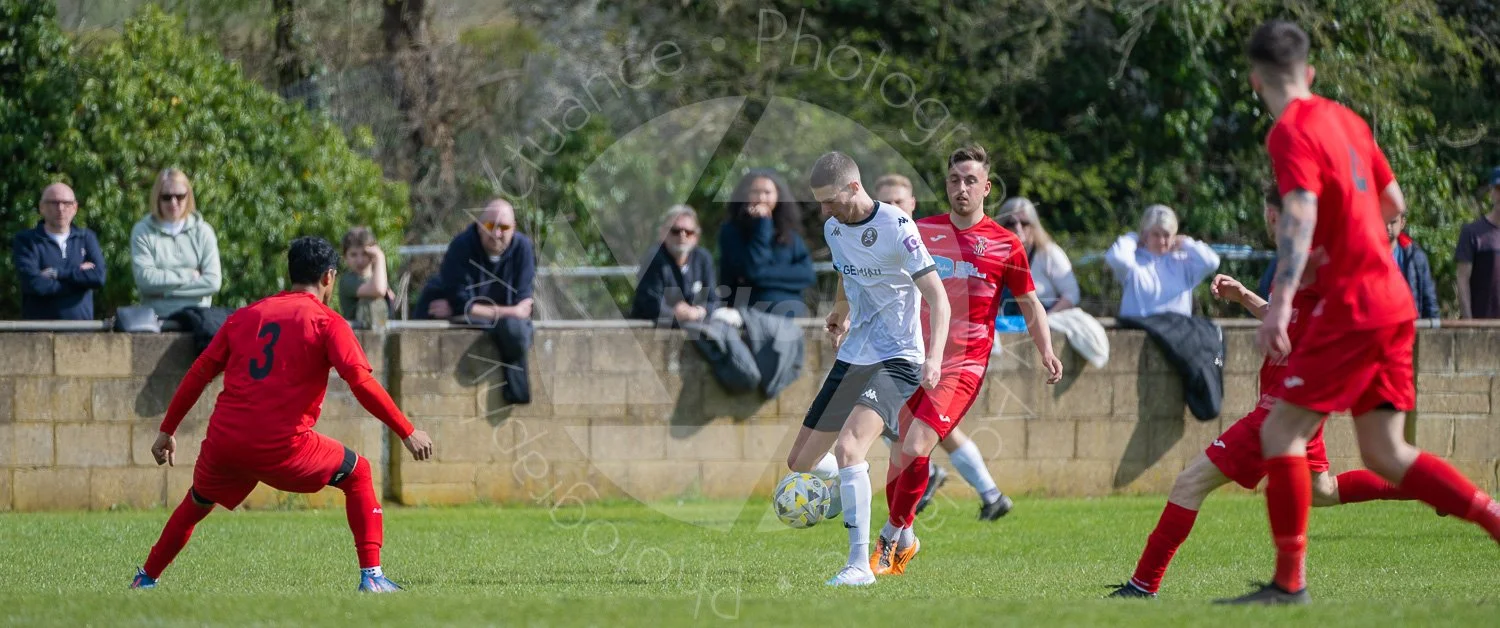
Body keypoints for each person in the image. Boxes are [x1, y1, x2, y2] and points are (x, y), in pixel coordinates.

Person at [1219, 20, 1500, 605]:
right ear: (1311, 73)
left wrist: (1284, 296)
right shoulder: (1347, 120)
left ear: (1255, 81)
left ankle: (1288, 583)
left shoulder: (1288, 130)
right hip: (1392, 298)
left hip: (1353, 303)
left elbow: (1298, 208)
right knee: (1385, 453)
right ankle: (1497, 521)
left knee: (1280, 428)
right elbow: (1394, 202)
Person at [1108, 197, 1413, 599]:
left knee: (1189, 482)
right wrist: (1245, 297)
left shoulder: (1318, 262)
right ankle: (1421, 485)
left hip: (1282, 409)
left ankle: (1142, 584)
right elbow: (1289, 318)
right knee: (1323, 491)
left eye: (1272, 214)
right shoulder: (1302, 258)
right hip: (1292, 400)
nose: (1270, 222)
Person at [130, 236, 434, 593]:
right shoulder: (328, 322)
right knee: (359, 473)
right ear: (329, 278)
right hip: (283, 448)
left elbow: (199, 373)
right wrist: (407, 430)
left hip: (226, 444)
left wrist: (167, 430)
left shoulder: (245, 316)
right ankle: (373, 578)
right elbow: (361, 383)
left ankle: (146, 578)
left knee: (196, 502)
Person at [871, 146, 1064, 577]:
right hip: (912, 356)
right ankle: (906, 538)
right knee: (901, 452)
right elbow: (879, 278)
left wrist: (1047, 350)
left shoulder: (1005, 243)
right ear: (946, 184)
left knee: (918, 445)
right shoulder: (920, 232)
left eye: (971, 180)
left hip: (963, 366)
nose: (962, 188)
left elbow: (1031, 305)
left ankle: (887, 537)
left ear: (986, 187)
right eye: (955, 179)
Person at [784, 151, 950, 588]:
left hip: (899, 357)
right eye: (818, 202)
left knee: (850, 448)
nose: (823, 211)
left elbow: (939, 298)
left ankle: (860, 565)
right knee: (801, 462)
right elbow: (845, 273)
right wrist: (841, 312)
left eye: (829, 200)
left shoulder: (898, 227)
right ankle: (848, 487)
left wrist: (933, 359)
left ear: (854, 188)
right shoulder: (834, 227)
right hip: (855, 352)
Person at [875, 180, 1019, 518]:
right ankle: (990, 493)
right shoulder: (883, 243)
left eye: (898, 201)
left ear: (912, 203)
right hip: (912, 347)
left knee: (896, 419)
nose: (893, 208)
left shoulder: (925, 236)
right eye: (886, 203)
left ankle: (915, 503)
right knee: (930, 426)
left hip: (950, 352)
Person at [414, 199, 536, 403]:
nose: (496, 233)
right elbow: (462, 301)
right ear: (479, 226)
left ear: (513, 229)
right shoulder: (461, 245)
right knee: (429, 301)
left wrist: (466, 311)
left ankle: (516, 393)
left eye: (504, 227)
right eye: (490, 225)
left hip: (494, 325)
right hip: (445, 344)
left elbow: (523, 304)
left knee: (516, 332)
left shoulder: (523, 247)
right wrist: (511, 311)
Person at [717, 169, 816, 317]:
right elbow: (754, 268)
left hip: (790, 313)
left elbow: (807, 275)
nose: (761, 198)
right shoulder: (731, 232)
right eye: (755, 192)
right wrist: (762, 224)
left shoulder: (789, 234)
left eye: (767, 192)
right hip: (750, 313)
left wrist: (763, 276)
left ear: (778, 196)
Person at [131, 168, 223, 317]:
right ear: (157, 198)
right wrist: (188, 275)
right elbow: (145, 280)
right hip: (157, 320)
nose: (173, 202)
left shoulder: (203, 231)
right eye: (167, 197)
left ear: (188, 197)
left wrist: (165, 292)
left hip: (198, 318)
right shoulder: (142, 232)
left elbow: (213, 282)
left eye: (180, 196)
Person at [1105, 204, 1220, 318]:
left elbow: (1211, 262)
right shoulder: (1133, 262)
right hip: (1138, 331)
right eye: (1155, 234)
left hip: (1176, 332)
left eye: (1166, 235)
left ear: (1174, 236)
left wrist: (1186, 243)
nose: (1161, 241)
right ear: (1145, 234)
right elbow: (1117, 258)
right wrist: (1132, 237)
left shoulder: (1183, 263)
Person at [13, 183, 106, 320]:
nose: (61, 208)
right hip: (38, 332)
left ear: (75, 208)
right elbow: (34, 285)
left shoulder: (86, 238)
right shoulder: (26, 241)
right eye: (54, 203)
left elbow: (98, 277)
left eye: (67, 203)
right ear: (42, 207)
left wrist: (57, 273)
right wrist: (80, 283)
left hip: (81, 332)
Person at [630, 205, 717, 326]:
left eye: (689, 232)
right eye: (675, 231)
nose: (682, 235)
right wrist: (675, 314)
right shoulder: (653, 259)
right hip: (652, 331)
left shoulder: (703, 259)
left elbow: (713, 300)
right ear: (663, 233)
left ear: (696, 237)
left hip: (695, 328)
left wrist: (696, 312)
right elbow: (649, 304)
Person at [996, 197, 1080, 314]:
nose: (1018, 228)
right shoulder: (996, 256)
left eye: (1024, 223)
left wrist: (1047, 319)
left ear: (1034, 225)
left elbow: (1072, 295)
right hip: (1007, 324)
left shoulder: (1048, 253)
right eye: (1011, 223)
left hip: (1047, 322)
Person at [1455, 166, 1500, 319]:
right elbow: (1462, 280)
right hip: (1483, 327)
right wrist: (1469, 323)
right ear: (1492, 192)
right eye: (1499, 189)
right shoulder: (1472, 233)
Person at [338, 227, 395, 327]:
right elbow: (378, 290)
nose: (359, 260)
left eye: (365, 254)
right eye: (353, 255)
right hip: (358, 338)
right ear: (345, 257)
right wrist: (380, 256)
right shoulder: (347, 280)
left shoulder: (378, 279)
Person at [1389, 213, 1439, 319]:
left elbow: (1429, 302)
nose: (1388, 226)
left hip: (1410, 327)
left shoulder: (1416, 257)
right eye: (1384, 220)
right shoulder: (1364, 256)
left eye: (1393, 222)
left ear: (1402, 223)